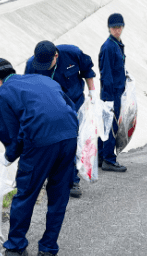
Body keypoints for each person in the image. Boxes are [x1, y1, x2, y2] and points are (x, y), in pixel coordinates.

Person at [0, 58, 78, 256]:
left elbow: (10, 135)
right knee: (59, 195)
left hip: (40, 143)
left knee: (26, 194)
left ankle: (15, 249)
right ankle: (48, 251)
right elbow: (69, 107)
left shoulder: (0, 96)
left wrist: (8, 157)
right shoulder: (44, 81)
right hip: (70, 136)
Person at [25, 40, 96, 198]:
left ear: (56, 56)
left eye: (47, 64)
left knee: (71, 142)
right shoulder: (32, 64)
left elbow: (87, 70)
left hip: (74, 105)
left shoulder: (72, 53)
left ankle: (72, 181)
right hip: (50, 109)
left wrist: (93, 93)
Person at [97, 13, 127, 172]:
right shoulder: (109, 46)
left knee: (106, 125)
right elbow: (106, 73)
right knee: (110, 126)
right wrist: (109, 99)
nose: (117, 30)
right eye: (114, 27)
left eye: (119, 27)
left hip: (115, 91)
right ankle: (108, 159)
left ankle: (101, 156)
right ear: (109, 28)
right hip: (111, 93)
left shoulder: (117, 44)